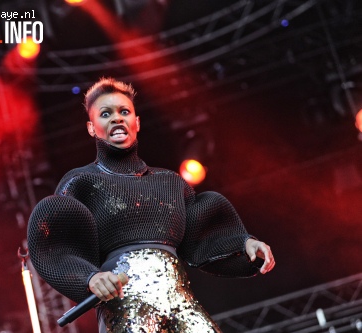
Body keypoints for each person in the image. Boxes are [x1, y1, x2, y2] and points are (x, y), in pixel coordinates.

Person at [27, 77, 275, 333]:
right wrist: (90, 278)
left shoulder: (170, 182)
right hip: (125, 306)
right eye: (105, 114)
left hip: (182, 303)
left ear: (137, 122)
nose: (117, 118)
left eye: (124, 112)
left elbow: (201, 236)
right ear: (92, 128)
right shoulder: (81, 182)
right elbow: (58, 245)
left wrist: (244, 243)